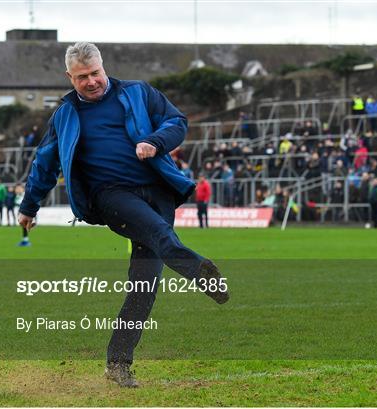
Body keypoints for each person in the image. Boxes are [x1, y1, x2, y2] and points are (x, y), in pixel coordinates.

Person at [17, 42, 229, 388]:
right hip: (110, 196)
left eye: (95, 73)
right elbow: (45, 162)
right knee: (160, 236)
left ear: (104, 67)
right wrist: (29, 207)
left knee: (144, 285)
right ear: (69, 77)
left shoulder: (138, 93)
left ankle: (118, 363)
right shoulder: (66, 115)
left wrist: (156, 142)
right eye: (82, 77)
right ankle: (198, 269)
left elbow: (177, 121)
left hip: (157, 190)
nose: (91, 82)